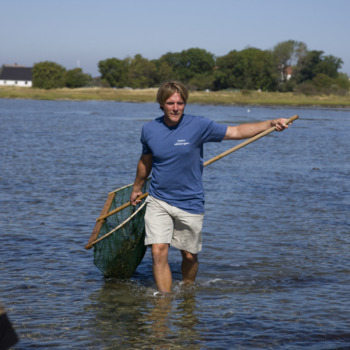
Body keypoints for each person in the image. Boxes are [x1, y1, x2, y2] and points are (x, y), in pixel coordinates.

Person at [130, 81, 290, 294]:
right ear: (161, 103)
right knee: (158, 251)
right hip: (158, 199)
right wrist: (137, 187)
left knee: (188, 255)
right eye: (170, 103)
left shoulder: (198, 125)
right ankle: (164, 304)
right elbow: (145, 161)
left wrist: (270, 123)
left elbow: (236, 131)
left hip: (190, 201)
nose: (175, 107)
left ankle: (187, 289)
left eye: (180, 103)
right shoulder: (149, 129)